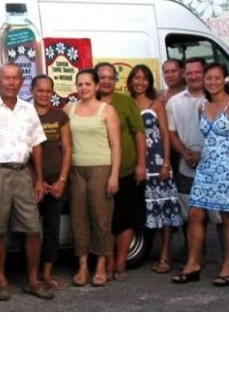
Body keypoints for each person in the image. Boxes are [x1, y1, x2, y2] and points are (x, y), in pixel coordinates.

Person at [0, 63, 53, 302]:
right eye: (6, 78)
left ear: (22, 81)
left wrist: (39, 178)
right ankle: (2, 282)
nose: (11, 82)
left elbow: (37, 144)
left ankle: (33, 281)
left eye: (16, 78)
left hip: (23, 172)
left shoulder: (28, 109)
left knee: (33, 228)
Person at [172, 62, 229, 286]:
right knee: (195, 214)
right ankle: (193, 264)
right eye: (209, 78)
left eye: (217, 77)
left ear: (225, 80)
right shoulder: (202, 107)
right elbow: (209, 139)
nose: (213, 82)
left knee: (228, 216)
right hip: (205, 167)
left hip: (228, 170)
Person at [66, 68, 121, 287]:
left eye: (88, 84)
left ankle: (100, 265)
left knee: (101, 218)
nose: (83, 88)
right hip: (76, 170)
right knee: (78, 219)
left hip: (101, 168)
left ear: (96, 86)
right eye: (80, 84)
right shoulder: (69, 109)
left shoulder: (107, 110)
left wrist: (114, 175)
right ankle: (82, 266)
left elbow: (116, 145)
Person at [166, 56, 223, 257]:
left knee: (220, 216)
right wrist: (185, 153)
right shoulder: (174, 102)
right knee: (191, 215)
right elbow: (171, 132)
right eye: (189, 72)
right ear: (184, 74)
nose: (193, 76)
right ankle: (196, 257)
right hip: (186, 164)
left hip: (216, 166)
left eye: (197, 72)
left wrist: (204, 155)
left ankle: (227, 261)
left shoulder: (219, 99)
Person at [128, 64, 182, 274]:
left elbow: (165, 134)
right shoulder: (127, 103)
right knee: (148, 210)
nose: (140, 82)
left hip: (157, 164)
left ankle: (165, 255)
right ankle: (158, 252)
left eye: (144, 78)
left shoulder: (156, 104)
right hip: (137, 164)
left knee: (164, 209)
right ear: (130, 81)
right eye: (136, 78)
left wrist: (166, 162)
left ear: (149, 82)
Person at [95, 62, 146, 282]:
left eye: (111, 77)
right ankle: (107, 262)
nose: (106, 81)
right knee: (104, 220)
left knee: (125, 219)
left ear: (116, 80)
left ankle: (120, 263)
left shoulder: (125, 102)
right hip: (98, 172)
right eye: (102, 77)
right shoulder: (89, 101)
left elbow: (139, 133)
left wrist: (141, 163)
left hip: (126, 170)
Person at [31, 74, 72, 289]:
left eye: (48, 91)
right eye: (40, 90)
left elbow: (67, 149)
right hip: (31, 180)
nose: (44, 95)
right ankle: (32, 274)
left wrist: (62, 180)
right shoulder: (25, 115)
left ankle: (47, 274)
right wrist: (36, 180)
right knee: (30, 229)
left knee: (52, 227)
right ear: (32, 91)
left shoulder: (59, 116)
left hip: (56, 180)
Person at [160, 58, 186, 179]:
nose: (169, 75)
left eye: (173, 71)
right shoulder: (159, 96)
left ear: (182, 72)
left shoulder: (191, 94)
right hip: (164, 151)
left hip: (186, 149)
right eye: (166, 72)